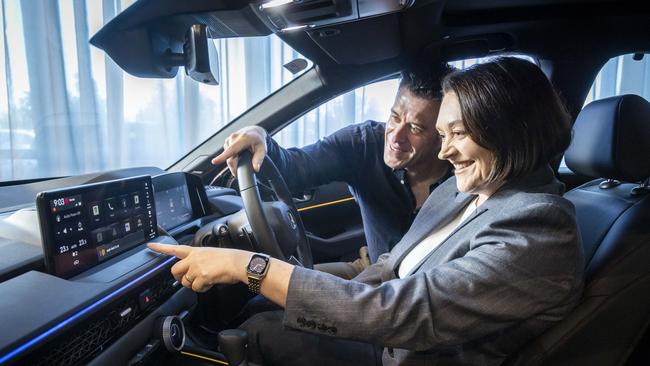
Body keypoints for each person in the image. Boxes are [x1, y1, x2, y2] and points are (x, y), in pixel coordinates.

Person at [149, 57, 585, 366]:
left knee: (260, 332)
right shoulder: (470, 188)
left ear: (511, 133)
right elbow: (391, 266)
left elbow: (406, 313)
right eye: (442, 133)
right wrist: (322, 299)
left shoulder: (540, 225)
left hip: (410, 353)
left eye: (458, 133)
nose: (446, 149)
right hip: (393, 335)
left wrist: (254, 268)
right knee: (264, 315)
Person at [211, 64, 454, 278]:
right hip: (371, 269)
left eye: (415, 128)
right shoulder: (363, 143)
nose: (396, 136)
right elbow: (296, 169)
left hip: (421, 291)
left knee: (266, 323)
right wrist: (260, 135)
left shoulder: (466, 176)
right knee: (257, 292)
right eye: (394, 117)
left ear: (442, 134)